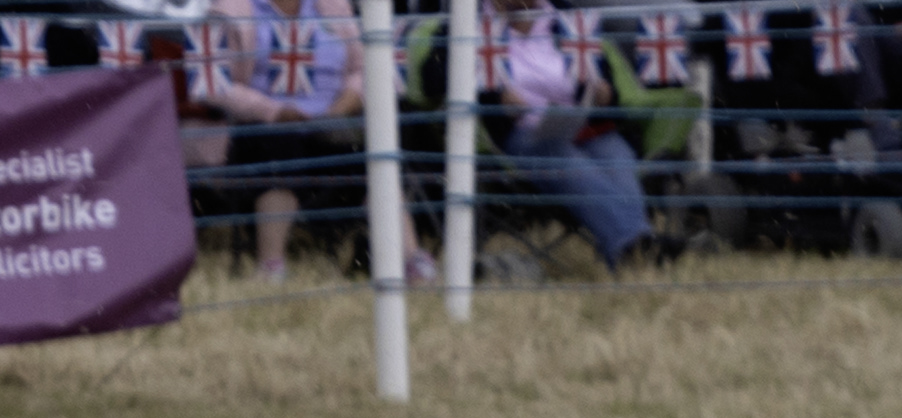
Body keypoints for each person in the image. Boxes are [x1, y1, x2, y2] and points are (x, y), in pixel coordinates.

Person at [196, 0, 433, 283]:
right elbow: (210, 83)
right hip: (261, 128)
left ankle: (410, 257)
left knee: (376, 158)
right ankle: (271, 265)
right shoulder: (226, 10)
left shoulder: (334, 6)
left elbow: (365, 67)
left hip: (331, 126)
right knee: (279, 150)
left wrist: (344, 105)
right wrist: (274, 111)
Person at [488, 0, 651, 272]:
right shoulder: (473, 25)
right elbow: (436, 81)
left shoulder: (567, 18)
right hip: (524, 133)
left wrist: (604, 95)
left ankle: (634, 248)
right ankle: (636, 247)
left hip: (580, 124)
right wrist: (495, 100)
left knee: (617, 154)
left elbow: (606, 86)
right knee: (560, 156)